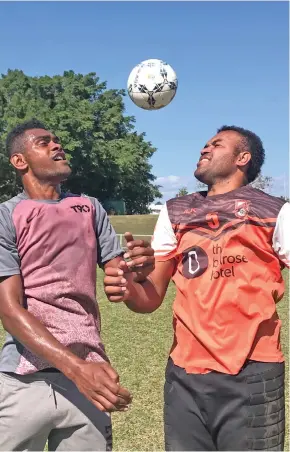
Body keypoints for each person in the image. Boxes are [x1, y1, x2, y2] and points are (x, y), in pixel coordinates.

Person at [104, 125, 290, 451]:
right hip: (184, 377)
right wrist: (129, 287)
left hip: (251, 374)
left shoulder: (275, 211)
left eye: (216, 145)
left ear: (242, 158)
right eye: (204, 144)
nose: (204, 149)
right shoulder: (176, 211)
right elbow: (151, 297)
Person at [0, 119, 154, 451]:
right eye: (44, 142)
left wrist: (137, 270)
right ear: (19, 161)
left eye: (57, 140)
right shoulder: (7, 216)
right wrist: (75, 368)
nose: (57, 146)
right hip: (25, 380)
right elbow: (10, 312)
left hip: (89, 380)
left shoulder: (89, 207)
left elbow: (121, 282)